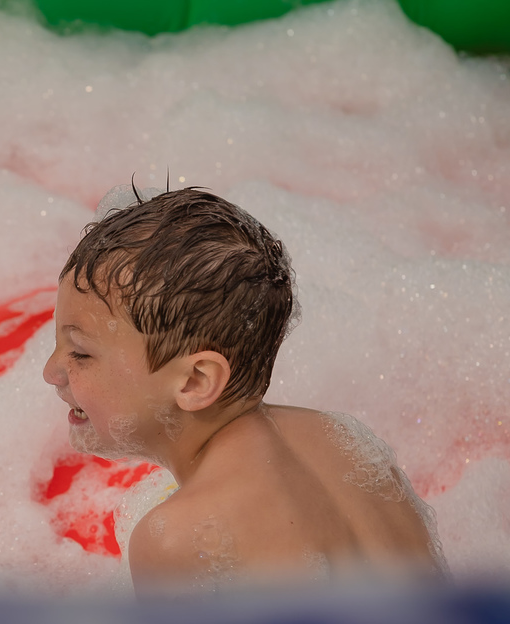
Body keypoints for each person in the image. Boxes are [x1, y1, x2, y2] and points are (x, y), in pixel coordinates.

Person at [42, 185, 446, 596]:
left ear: (196, 381)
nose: (50, 371)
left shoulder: (178, 539)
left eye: (80, 353)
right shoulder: (348, 447)